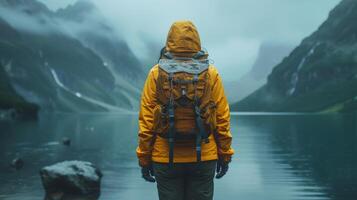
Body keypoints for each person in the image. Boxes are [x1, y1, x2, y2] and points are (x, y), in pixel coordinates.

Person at [136, 20, 234, 200]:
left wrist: (144, 158)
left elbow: (147, 121)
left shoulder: (156, 73)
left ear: (169, 41)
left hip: (165, 158)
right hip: (203, 157)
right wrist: (225, 154)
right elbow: (222, 118)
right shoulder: (211, 73)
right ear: (196, 40)